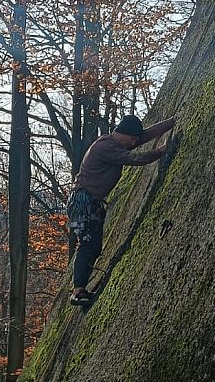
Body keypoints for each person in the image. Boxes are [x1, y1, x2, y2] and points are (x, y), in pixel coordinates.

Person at [67, 113, 175, 305]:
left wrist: (171, 122)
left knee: (94, 247)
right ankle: (77, 292)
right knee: (87, 245)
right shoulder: (105, 147)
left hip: (89, 202)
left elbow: (145, 135)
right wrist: (160, 151)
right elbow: (134, 158)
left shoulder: (117, 143)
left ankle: (80, 289)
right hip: (82, 202)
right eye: (132, 138)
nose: (134, 142)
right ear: (123, 133)